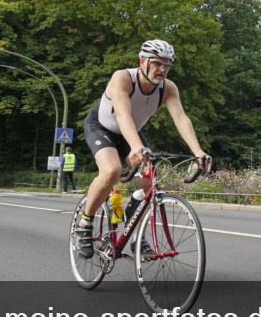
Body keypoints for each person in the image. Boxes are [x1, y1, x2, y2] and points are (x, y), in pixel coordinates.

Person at [75, 39, 212, 258]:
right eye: (157, 63)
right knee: (112, 171)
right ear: (142, 61)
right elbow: (122, 114)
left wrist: (198, 151)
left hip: (132, 132)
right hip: (102, 127)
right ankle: (85, 222)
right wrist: (136, 146)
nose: (162, 69)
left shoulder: (168, 88)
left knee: (150, 181)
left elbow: (180, 117)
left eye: (167, 65)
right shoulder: (122, 78)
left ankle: (135, 234)